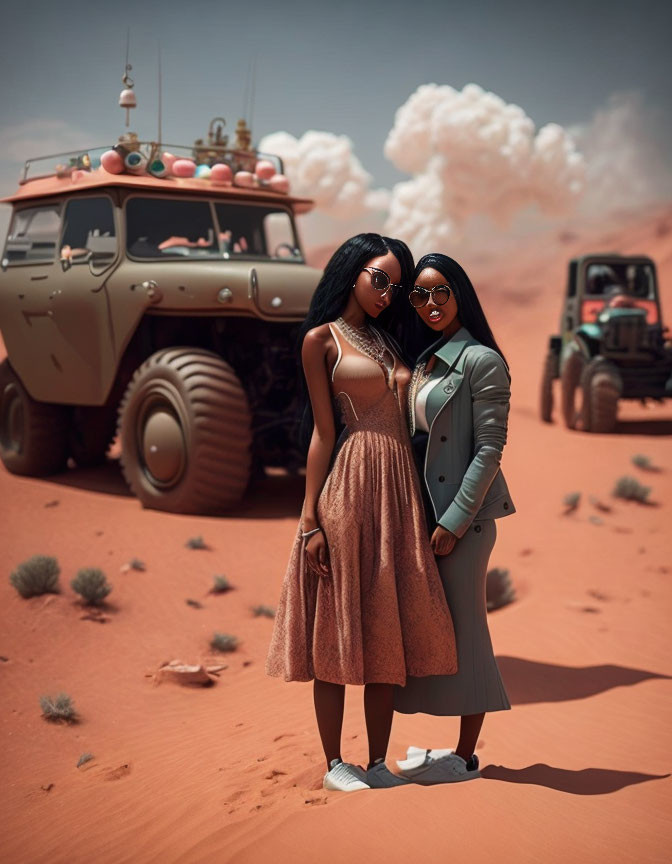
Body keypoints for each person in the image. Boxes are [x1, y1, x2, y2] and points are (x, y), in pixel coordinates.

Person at [266, 234, 458, 792]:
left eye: (395, 286)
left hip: (401, 494)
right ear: (352, 272)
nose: (387, 292)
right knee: (338, 628)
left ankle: (377, 763)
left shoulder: (392, 339)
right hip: (350, 490)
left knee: (386, 630)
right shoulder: (320, 340)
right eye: (380, 278)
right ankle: (334, 765)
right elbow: (323, 434)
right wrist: (310, 522)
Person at [394, 253, 515, 785]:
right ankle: (449, 749)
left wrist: (456, 520)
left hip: (461, 521)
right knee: (426, 628)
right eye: (419, 295)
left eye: (440, 290)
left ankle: (466, 757)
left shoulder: (481, 360)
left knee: (467, 630)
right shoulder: (425, 359)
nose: (430, 303)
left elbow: (489, 449)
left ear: (460, 291)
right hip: (421, 515)